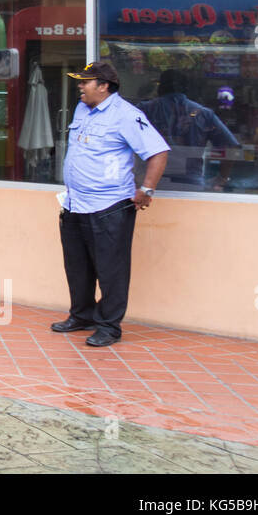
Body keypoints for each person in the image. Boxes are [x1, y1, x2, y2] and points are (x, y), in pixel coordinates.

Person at [53, 61, 168, 348]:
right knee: (77, 267)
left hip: (109, 206)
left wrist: (146, 190)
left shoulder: (126, 115)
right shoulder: (83, 109)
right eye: (79, 81)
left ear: (103, 86)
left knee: (111, 270)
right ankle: (82, 315)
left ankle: (108, 326)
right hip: (76, 204)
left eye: (85, 82)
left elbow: (158, 151)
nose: (80, 86)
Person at [137, 68, 240, 191]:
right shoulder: (204, 113)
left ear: (161, 87)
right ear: (186, 88)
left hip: (151, 182)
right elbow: (231, 146)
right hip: (190, 184)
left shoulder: (144, 110)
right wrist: (222, 178)